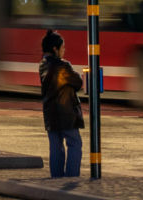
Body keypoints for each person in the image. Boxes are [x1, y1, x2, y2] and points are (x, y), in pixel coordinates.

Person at [39, 29, 84, 178]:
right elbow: (78, 82)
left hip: (50, 115)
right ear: (55, 49)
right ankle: (71, 178)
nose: (64, 50)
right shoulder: (63, 66)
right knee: (74, 143)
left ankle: (56, 180)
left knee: (56, 148)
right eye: (63, 47)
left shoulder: (43, 65)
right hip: (66, 115)